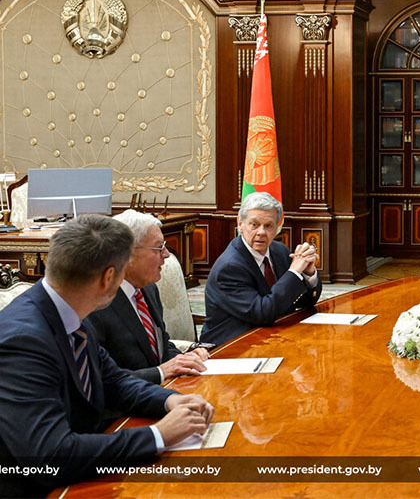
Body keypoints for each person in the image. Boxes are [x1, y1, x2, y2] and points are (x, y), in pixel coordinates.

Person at [0, 215, 214, 496]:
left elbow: (113, 379)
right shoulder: (23, 342)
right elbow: (51, 455)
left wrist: (170, 400)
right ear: (109, 277)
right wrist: (157, 435)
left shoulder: (71, 309)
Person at [87, 210, 208, 384]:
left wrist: (185, 359)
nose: (166, 254)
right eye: (159, 247)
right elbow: (101, 380)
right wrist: (159, 373)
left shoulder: (148, 288)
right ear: (127, 254)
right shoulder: (96, 303)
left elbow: (161, 345)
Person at [202, 192, 322, 345]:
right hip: (232, 344)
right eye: (254, 225)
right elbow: (262, 313)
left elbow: (303, 302)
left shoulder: (280, 251)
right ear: (240, 224)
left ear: (277, 227)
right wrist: (294, 273)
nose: (261, 232)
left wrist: (307, 273)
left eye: (268, 226)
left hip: (272, 335)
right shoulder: (229, 267)